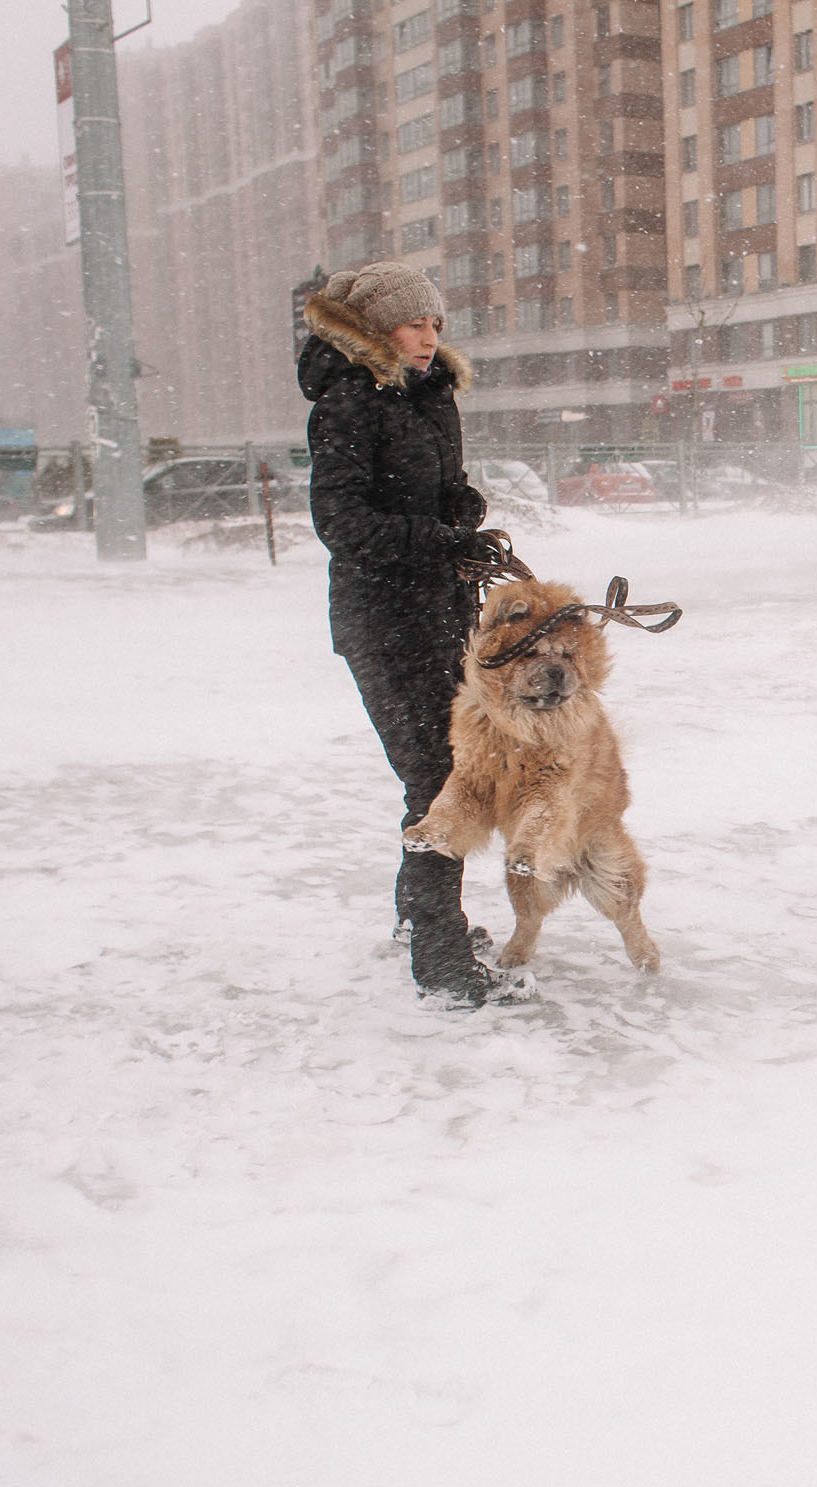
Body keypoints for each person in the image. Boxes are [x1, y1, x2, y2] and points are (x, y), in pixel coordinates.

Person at [297, 262, 512, 1006]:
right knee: (440, 782)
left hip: (438, 613)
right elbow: (344, 525)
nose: (429, 337)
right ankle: (440, 955)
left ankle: (418, 921)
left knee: (445, 774)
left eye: (436, 325)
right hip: (382, 622)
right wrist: (440, 539)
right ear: (377, 327)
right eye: (415, 323)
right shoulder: (349, 403)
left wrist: (463, 511)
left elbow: (433, 497)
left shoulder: (430, 397)